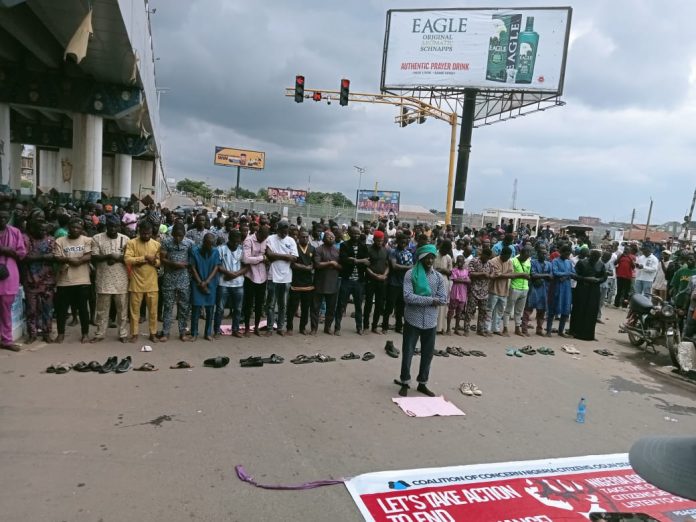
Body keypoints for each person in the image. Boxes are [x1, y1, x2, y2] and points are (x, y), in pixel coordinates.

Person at [395, 244, 447, 398]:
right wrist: (431, 300)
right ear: (421, 258)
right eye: (427, 257)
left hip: (431, 321)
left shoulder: (437, 277)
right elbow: (408, 297)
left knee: (428, 354)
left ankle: (422, 383)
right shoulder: (410, 274)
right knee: (408, 352)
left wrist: (427, 300)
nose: (430, 260)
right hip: (413, 319)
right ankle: (405, 381)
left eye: (432, 257)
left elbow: (443, 299)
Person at [90, 214, 129, 343]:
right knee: (101, 309)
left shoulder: (126, 239)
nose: (113, 229)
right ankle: (100, 333)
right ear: (106, 226)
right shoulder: (97, 238)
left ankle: (123, 334)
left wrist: (118, 258)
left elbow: (129, 258)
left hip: (121, 280)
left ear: (119, 226)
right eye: (110, 226)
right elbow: (94, 256)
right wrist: (109, 256)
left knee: (122, 309)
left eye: (116, 226)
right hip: (103, 279)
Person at [53, 218, 91, 344]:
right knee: (61, 309)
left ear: (81, 229)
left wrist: (79, 261)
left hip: (82, 280)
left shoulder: (87, 240)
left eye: (78, 228)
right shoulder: (60, 241)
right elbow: (57, 257)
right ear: (68, 228)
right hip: (64, 281)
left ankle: (85, 334)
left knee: (83, 309)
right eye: (73, 227)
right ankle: (60, 334)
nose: (75, 230)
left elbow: (89, 255)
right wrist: (70, 260)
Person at [124, 220, 161, 343]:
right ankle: (134, 334)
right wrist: (144, 258)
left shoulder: (156, 244)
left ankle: (153, 333)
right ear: (139, 232)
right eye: (144, 233)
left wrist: (154, 262)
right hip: (136, 283)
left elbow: (159, 262)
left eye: (148, 233)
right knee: (134, 311)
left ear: (152, 232)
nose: (146, 236)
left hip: (152, 283)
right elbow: (127, 259)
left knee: (153, 311)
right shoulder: (131, 243)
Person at [22, 216, 55, 344]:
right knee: (31, 310)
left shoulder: (51, 239)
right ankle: (32, 334)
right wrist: (44, 256)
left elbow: (54, 256)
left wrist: (37, 256)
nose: (43, 232)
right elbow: (25, 257)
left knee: (48, 308)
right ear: (33, 229)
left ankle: (47, 333)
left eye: (44, 230)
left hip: (48, 281)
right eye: (40, 229)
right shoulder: (26, 239)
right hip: (31, 280)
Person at [159, 222, 194, 342]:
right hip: (169, 278)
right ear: (172, 234)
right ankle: (165, 332)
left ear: (184, 234)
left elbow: (192, 260)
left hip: (184, 279)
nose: (178, 238)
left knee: (184, 307)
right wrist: (173, 264)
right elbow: (162, 258)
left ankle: (183, 332)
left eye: (180, 235)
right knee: (168, 306)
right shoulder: (166, 242)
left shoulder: (190, 243)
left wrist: (185, 265)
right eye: (176, 235)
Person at [264, 221, 298, 337]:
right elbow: (269, 254)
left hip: (286, 277)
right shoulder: (271, 238)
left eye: (286, 231)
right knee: (271, 304)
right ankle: (269, 328)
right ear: (277, 229)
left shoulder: (291, 240)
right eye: (282, 230)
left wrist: (277, 255)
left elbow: (294, 258)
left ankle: (280, 327)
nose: (284, 233)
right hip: (273, 276)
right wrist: (286, 256)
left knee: (283, 305)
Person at [336, 226, 368, 335]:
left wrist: (355, 260)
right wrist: (360, 261)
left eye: (358, 234)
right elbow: (345, 260)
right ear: (349, 233)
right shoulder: (344, 245)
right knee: (341, 305)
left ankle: (359, 327)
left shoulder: (363, 246)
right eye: (354, 233)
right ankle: (337, 328)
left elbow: (367, 262)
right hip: (346, 279)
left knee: (358, 306)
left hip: (359, 280)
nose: (357, 236)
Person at [216, 229, 247, 338]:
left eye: (238, 241)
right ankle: (216, 330)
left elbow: (246, 266)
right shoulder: (221, 249)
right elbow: (218, 266)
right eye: (234, 240)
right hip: (223, 283)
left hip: (238, 284)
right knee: (220, 308)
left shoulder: (242, 250)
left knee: (238, 309)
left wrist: (235, 274)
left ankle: (235, 329)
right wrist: (228, 273)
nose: (236, 243)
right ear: (229, 238)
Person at [572, 249, 607, 341]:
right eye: (593, 258)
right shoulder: (582, 263)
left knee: (591, 311)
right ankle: (575, 331)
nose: (595, 260)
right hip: (582, 289)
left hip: (594, 290)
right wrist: (585, 279)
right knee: (579, 309)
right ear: (589, 256)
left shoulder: (601, 264)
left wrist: (597, 280)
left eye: (597, 258)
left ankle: (589, 334)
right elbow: (574, 275)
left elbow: (604, 277)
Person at [190, 233, 220, 341]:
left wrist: (206, 282)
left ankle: (207, 333)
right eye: (208, 244)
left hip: (210, 282)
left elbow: (216, 267)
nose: (210, 247)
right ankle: (194, 333)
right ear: (203, 242)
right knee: (196, 309)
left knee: (210, 309)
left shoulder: (216, 251)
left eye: (212, 244)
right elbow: (192, 268)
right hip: (197, 282)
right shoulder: (195, 251)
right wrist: (201, 282)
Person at [383, 233, 413, 334]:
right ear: (398, 241)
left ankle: (398, 327)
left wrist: (406, 267)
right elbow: (394, 266)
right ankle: (385, 326)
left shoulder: (408, 253)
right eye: (402, 241)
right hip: (393, 283)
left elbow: (411, 267)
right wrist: (408, 267)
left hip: (404, 284)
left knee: (401, 308)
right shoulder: (393, 252)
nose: (404, 243)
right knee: (389, 307)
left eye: (405, 241)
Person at [242, 224, 269, 337]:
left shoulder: (266, 240)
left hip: (263, 276)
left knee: (259, 304)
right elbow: (246, 259)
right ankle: (247, 327)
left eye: (265, 237)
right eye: (262, 237)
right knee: (248, 304)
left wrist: (263, 259)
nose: (263, 239)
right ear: (258, 233)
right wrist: (261, 258)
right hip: (250, 276)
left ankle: (257, 327)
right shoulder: (248, 240)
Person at [286, 228, 314, 335]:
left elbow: (314, 264)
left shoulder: (312, 249)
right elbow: (292, 264)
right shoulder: (294, 248)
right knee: (292, 307)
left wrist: (311, 267)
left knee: (305, 308)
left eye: (307, 237)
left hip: (308, 284)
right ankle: (289, 327)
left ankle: (302, 327)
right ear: (298, 237)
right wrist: (305, 268)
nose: (305, 238)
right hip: (296, 282)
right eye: (303, 236)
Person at [312, 231, 341, 335]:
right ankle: (314, 328)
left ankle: (327, 327)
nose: (331, 238)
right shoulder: (318, 249)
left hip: (333, 283)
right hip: (320, 282)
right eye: (329, 237)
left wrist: (335, 265)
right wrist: (330, 263)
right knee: (315, 307)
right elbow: (317, 264)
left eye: (333, 237)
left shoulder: (337, 251)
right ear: (324, 238)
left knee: (331, 308)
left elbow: (341, 267)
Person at [362, 230, 389, 334]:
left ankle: (374, 327)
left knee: (379, 304)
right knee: (368, 303)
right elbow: (365, 267)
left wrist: (384, 275)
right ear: (374, 240)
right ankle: (365, 326)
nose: (380, 243)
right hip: (370, 280)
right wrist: (374, 275)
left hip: (382, 281)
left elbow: (387, 265)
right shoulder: (368, 250)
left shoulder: (385, 250)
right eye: (378, 241)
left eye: (381, 241)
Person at [522, 246, 552, 336]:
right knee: (528, 309)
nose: (544, 255)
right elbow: (533, 275)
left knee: (542, 310)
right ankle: (524, 328)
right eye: (542, 253)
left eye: (545, 253)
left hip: (544, 289)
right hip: (534, 288)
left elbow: (551, 276)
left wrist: (543, 276)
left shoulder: (548, 264)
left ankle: (539, 329)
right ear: (538, 254)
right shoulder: (533, 262)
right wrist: (545, 276)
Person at [502, 246, 532, 337]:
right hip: (514, 287)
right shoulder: (513, 261)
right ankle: (505, 328)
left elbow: (528, 274)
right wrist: (522, 275)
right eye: (526, 255)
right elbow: (510, 274)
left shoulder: (528, 261)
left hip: (525, 288)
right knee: (508, 309)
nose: (527, 257)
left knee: (519, 311)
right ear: (521, 253)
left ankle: (517, 329)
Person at [547, 245, 575, 337]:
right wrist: (567, 274)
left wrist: (566, 275)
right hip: (557, 287)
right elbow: (555, 272)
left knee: (565, 309)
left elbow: (573, 273)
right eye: (566, 254)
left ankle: (561, 331)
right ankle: (549, 330)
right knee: (552, 308)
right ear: (561, 253)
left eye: (569, 254)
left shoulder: (569, 262)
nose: (567, 256)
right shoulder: (555, 261)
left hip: (566, 288)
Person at [464, 248, 493, 336]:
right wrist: (482, 274)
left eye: (488, 257)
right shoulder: (474, 261)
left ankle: (480, 330)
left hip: (484, 291)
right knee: (470, 310)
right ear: (482, 254)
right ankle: (466, 329)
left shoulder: (489, 263)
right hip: (474, 290)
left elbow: (492, 274)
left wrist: (490, 275)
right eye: (485, 257)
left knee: (483, 312)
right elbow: (470, 273)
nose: (486, 259)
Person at [487, 246, 514, 336]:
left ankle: (496, 329)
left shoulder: (509, 262)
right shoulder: (493, 261)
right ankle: (487, 328)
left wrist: (506, 275)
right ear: (502, 254)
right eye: (507, 256)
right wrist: (507, 275)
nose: (508, 258)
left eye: (509, 256)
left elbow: (510, 274)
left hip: (504, 290)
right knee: (489, 309)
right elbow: (498, 275)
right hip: (493, 289)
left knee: (500, 311)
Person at [434, 240, 453, 335]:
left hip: (445, 281)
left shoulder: (448, 257)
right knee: (434, 303)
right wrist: (440, 270)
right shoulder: (434, 254)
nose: (446, 252)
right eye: (445, 249)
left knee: (442, 305)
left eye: (448, 250)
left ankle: (440, 328)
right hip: (434, 281)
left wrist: (444, 270)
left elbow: (450, 272)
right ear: (442, 247)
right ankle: (433, 326)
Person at [447, 255, 470, 336]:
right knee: (451, 311)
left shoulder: (466, 271)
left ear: (464, 262)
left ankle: (456, 329)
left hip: (463, 293)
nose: (460, 263)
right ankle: (448, 328)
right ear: (457, 262)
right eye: (458, 261)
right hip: (455, 292)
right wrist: (464, 280)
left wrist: (461, 280)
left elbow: (469, 281)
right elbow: (455, 280)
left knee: (459, 312)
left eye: (461, 261)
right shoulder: (454, 270)